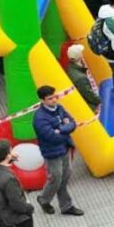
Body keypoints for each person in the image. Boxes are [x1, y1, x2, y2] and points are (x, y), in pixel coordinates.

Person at [32, 85, 84, 216]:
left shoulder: (59, 108)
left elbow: (72, 123)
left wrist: (60, 129)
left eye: (55, 97)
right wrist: (65, 128)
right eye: (50, 98)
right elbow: (52, 137)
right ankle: (45, 199)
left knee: (65, 176)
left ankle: (65, 205)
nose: (54, 100)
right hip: (52, 152)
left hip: (64, 148)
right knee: (55, 178)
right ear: (42, 100)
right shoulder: (40, 118)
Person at [66, 44, 101, 110]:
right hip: (89, 107)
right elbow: (89, 95)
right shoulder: (80, 78)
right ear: (80, 56)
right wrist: (101, 100)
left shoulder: (70, 67)